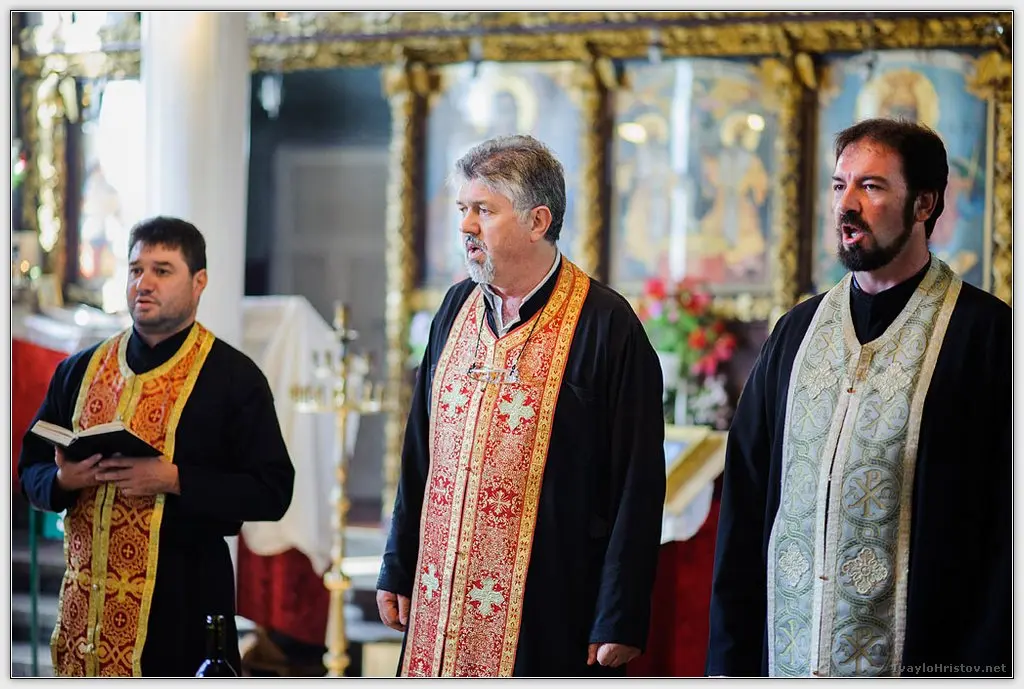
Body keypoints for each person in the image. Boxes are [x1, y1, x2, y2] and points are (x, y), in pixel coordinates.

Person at [706, 118, 1011, 678]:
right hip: (787, 658)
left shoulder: (988, 336)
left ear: (923, 204)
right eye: (839, 185)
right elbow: (745, 506)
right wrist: (729, 661)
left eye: (871, 186)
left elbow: (1005, 535)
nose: (846, 204)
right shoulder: (795, 333)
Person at [376, 134, 667, 677]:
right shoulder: (455, 307)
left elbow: (638, 481)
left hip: (550, 600)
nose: (466, 226)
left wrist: (619, 614)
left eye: (483, 210)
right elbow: (420, 449)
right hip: (441, 595)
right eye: (463, 209)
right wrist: (397, 564)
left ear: (538, 221)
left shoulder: (606, 324)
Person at [18, 216, 296, 677]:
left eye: (162, 270)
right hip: (86, 622)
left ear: (199, 282)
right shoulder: (79, 370)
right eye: (136, 269)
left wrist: (175, 479)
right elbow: (30, 468)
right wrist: (64, 479)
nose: (143, 283)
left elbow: (273, 491)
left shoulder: (234, 378)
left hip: (182, 614)